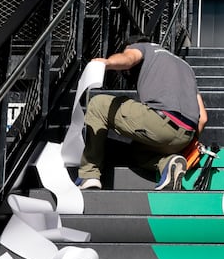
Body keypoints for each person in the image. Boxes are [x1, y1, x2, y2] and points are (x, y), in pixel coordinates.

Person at [77, 34, 208, 190]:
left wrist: (107, 62)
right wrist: (187, 143)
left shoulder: (145, 47)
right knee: (138, 153)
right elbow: (203, 118)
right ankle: (169, 163)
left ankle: (89, 174)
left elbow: (129, 59)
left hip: (160, 121)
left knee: (99, 104)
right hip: (185, 134)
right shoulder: (186, 67)